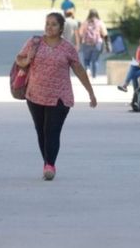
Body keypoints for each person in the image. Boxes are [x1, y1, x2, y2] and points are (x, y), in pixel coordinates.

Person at [16, 12, 97, 180]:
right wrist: (27, 60)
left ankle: (50, 165)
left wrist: (90, 92)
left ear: (61, 28)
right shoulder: (34, 43)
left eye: (53, 24)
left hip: (60, 97)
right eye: (47, 23)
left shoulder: (67, 48)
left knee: (52, 131)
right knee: (41, 131)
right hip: (35, 95)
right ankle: (47, 161)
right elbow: (19, 59)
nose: (49, 27)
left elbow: (79, 70)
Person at [78, 9, 108, 78]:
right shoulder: (100, 22)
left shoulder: (85, 22)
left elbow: (80, 33)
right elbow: (105, 33)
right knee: (95, 60)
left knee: (86, 59)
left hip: (86, 43)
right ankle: (94, 75)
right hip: (97, 44)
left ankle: (87, 70)